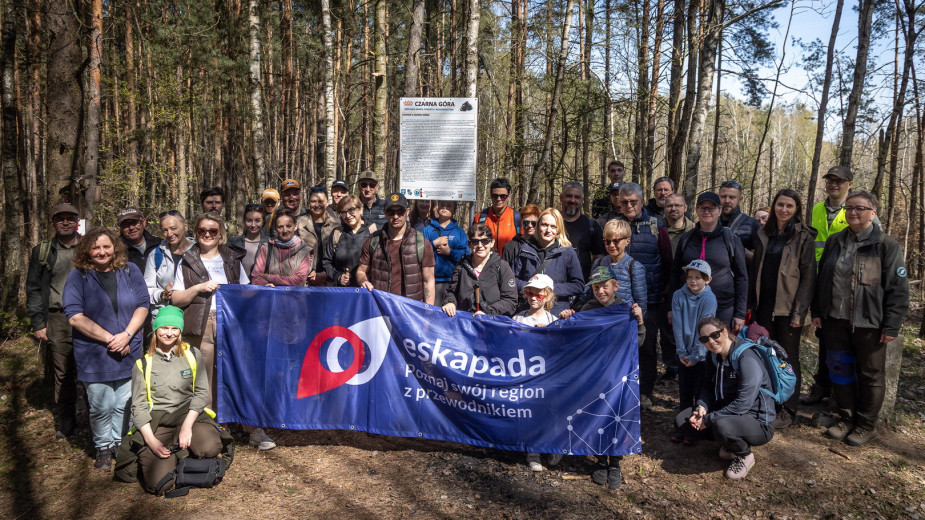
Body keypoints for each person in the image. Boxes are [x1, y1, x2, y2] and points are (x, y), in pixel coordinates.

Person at [168, 213, 275, 451]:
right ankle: (211, 431)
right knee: (205, 380)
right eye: (202, 231)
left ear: (220, 234)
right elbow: (176, 299)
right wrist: (198, 287)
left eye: (213, 231)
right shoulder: (186, 260)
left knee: (241, 373)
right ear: (196, 233)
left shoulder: (231, 257)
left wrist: (263, 291)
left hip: (232, 323)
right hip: (201, 325)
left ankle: (253, 429)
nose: (207, 235)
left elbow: (244, 291)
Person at [812, 190, 909, 447]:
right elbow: (823, 280)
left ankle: (866, 425)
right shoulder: (835, 241)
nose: (853, 212)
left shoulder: (886, 245)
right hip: (835, 320)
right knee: (840, 369)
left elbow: (898, 289)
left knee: (870, 375)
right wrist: (818, 311)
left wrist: (892, 324)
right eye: (850, 208)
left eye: (860, 208)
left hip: (869, 324)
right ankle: (846, 418)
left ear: (873, 213)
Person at [62, 227, 149, 469]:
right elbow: (75, 316)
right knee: (101, 405)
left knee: (124, 402)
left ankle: (120, 445)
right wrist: (112, 338)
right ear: (87, 251)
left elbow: (143, 305)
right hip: (94, 353)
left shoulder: (130, 271)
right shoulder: (77, 277)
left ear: (115, 248)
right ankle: (102, 447)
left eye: (106, 246)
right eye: (96, 247)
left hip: (129, 349)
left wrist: (127, 335)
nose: (102, 252)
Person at [558, 266, 644, 490]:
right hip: (595, 374)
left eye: (604, 286)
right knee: (598, 413)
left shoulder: (625, 309)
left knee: (617, 414)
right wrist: (569, 317)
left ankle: (615, 462)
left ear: (615, 286)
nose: (600, 291)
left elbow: (639, 342)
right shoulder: (589, 307)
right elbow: (575, 335)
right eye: (596, 288)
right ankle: (600, 460)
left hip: (620, 372)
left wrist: (640, 321)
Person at [128, 306, 223, 495]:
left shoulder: (192, 354)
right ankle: (178, 454)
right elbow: (138, 407)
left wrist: (187, 426)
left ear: (180, 331)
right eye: (164, 328)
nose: (169, 333)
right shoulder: (143, 363)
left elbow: (201, 392)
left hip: (188, 415)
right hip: (159, 422)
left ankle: (186, 447)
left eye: (174, 328)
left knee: (210, 447)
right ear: (156, 330)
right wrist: (151, 441)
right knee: (159, 485)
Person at [674, 317, 775, 480]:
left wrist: (708, 420)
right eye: (705, 339)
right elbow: (707, 386)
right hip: (727, 413)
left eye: (715, 335)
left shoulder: (746, 357)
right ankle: (728, 442)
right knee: (682, 421)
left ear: (725, 331)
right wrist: (702, 407)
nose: (711, 342)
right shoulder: (714, 356)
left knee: (722, 425)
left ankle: (745, 455)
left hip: (757, 420)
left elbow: (743, 404)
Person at [749, 189, 816, 429]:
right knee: (767, 357)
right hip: (763, 306)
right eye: (780, 204)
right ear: (773, 206)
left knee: (788, 359)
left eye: (789, 205)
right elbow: (755, 268)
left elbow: (809, 278)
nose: (784, 210)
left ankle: (788, 410)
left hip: (788, 310)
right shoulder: (762, 234)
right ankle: (769, 405)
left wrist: (800, 313)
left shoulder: (803, 238)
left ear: (797, 209)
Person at [802, 165, 866, 406]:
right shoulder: (818, 209)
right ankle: (821, 386)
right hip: (819, 281)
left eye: (839, 181)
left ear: (849, 184)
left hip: (849, 286)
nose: (833, 185)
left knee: (845, 342)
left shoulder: (856, 210)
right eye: (830, 180)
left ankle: (842, 396)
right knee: (825, 337)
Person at [26, 203, 82, 439]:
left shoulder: (90, 247)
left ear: (77, 222)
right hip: (58, 318)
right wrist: (38, 322)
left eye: (70, 218)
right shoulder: (43, 250)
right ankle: (66, 419)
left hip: (90, 317)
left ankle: (92, 417)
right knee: (63, 372)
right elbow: (34, 288)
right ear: (54, 223)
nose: (66, 222)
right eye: (61, 219)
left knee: (92, 367)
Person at [618, 182, 674, 407]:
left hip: (650, 299)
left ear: (642, 202)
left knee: (647, 346)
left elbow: (669, 263)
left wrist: (663, 295)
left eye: (633, 202)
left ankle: (645, 391)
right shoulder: (614, 226)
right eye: (625, 202)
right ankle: (620, 389)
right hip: (619, 300)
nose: (629, 206)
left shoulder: (656, 227)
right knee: (620, 346)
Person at [671, 191, 747, 331]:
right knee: (691, 348)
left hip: (722, 306)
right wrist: (672, 308)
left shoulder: (730, 239)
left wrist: (740, 313)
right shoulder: (687, 238)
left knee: (718, 348)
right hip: (689, 305)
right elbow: (675, 273)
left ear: (719, 211)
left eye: (711, 208)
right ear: (697, 211)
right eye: (702, 208)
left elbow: (742, 277)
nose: (706, 211)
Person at [513, 274, 561, 472]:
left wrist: (550, 334)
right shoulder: (518, 318)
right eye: (529, 292)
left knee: (552, 411)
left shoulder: (555, 321)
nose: (533, 297)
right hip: (526, 376)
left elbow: (562, 351)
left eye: (539, 294)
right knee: (530, 412)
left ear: (548, 297)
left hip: (549, 377)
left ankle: (552, 446)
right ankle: (533, 451)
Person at [357, 192, 437, 304]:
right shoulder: (373, 241)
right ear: (385, 213)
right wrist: (364, 281)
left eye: (400, 211)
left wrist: (428, 313)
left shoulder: (421, 243)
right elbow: (361, 271)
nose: (395, 216)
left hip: (411, 311)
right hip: (381, 308)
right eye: (391, 212)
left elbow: (428, 281)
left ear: (407, 212)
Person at [669, 260, 717, 443]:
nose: (693, 281)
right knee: (685, 391)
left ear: (708, 279)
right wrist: (682, 352)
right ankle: (682, 426)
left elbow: (705, 329)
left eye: (697, 277)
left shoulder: (709, 299)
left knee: (699, 392)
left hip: (702, 354)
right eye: (690, 277)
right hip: (683, 353)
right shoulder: (678, 296)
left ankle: (696, 429)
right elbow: (678, 326)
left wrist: (696, 356)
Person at [510, 208, 584, 315]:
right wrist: (531, 289)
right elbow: (513, 280)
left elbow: (578, 285)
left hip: (557, 311)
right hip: (528, 309)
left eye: (553, 226)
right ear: (538, 226)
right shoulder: (525, 249)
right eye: (544, 225)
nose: (548, 230)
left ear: (559, 229)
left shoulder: (567, 252)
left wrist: (550, 290)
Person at [442, 224, 518, 317]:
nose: (480, 245)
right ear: (469, 244)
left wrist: (487, 311)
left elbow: (510, 301)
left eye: (485, 241)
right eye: (475, 241)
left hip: (492, 324)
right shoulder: (462, 266)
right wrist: (450, 302)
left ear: (492, 243)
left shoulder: (502, 267)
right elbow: (451, 292)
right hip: (465, 324)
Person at [588, 220, 647, 317]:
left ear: (627, 241)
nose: (611, 245)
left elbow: (641, 304)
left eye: (616, 241)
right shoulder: (598, 263)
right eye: (607, 241)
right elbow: (589, 293)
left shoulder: (634, 267)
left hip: (623, 320)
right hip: (600, 318)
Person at [145, 211, 195, 321]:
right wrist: (163, 294)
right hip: (165, 320)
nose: (169, 233)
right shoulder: (156, 255)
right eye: (165, 230)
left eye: (173, 228)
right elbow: (147, 289)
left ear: (185, 227)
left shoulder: (200, 252)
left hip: (194, 317)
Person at [323, 195, 377, 287]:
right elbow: (327, 261)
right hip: (343, 290)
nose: (347, 215)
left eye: (351, 210)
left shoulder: (373, 231)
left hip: (367, 288)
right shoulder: (337, 232)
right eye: (343, 212)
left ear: (361, 209)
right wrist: (338, 277)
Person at [423, 200, 470, 305]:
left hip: (453, 282)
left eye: (449, 206)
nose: (445, 208)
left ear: (454, 210)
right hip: (432, 281)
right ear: (437, 207)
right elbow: (420, 251)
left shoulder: (459, 232)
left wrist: (450, 252)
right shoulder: (428, 230)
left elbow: (466, 255)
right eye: (442, 205)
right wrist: (433, 243)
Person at [251, 210, 312, 287]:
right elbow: (256, 278)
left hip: (295, 297)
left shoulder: (304, 250)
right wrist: (265, 284)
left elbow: (299, 281)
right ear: (275, 228)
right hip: (271, 296)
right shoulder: (266, 248)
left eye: (288, 226)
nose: (285, 230)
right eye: (280, 227)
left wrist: (269, 277)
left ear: (295, 226)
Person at [560, 181, 604, 280]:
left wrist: (592, 280)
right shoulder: (551, 223)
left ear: (582, 200)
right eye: (569, 196)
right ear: (561, 197)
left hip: (582, 284)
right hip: (553, 285)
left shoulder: (592, 226)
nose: (572, 200)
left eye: (577, 197)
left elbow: (598, 257)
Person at [296, 187, 338, 286]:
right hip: (305, 279)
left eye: (321, 201)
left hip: (330, 279)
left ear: (327, 202)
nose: (317, 205)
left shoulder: (337, 224)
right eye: (313, 201)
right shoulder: (299, 223)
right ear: (309, 203)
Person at [473, 178, 521, 254]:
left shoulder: (518, 218)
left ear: (508, 197)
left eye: (503, 196)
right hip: (486, 263)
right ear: (490, 196)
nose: (498, 199)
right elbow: (474, 243)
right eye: (495, 196)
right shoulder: (480, 218)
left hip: (510, 263)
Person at [718, 180, 760, 261]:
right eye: (723, 196)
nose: (727, 201)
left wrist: (740, 251)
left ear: (740, 199)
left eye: (732, 197)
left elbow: (759, 260)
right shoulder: (710, 222)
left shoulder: (752, 224)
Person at [228, 204, 269, 276]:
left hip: (262, 286)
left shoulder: (270, 243)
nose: (253, 225)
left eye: (257, 220)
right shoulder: (233, 243)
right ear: (244, 221)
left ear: (263, 221)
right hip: (237, 286)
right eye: (249, 220)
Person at [117, 207, 159, 272]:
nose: (131, 227)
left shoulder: (159, 245)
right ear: (120, 227)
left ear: (144, 222)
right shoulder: (116, 250)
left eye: (134, 222)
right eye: (125, 224)